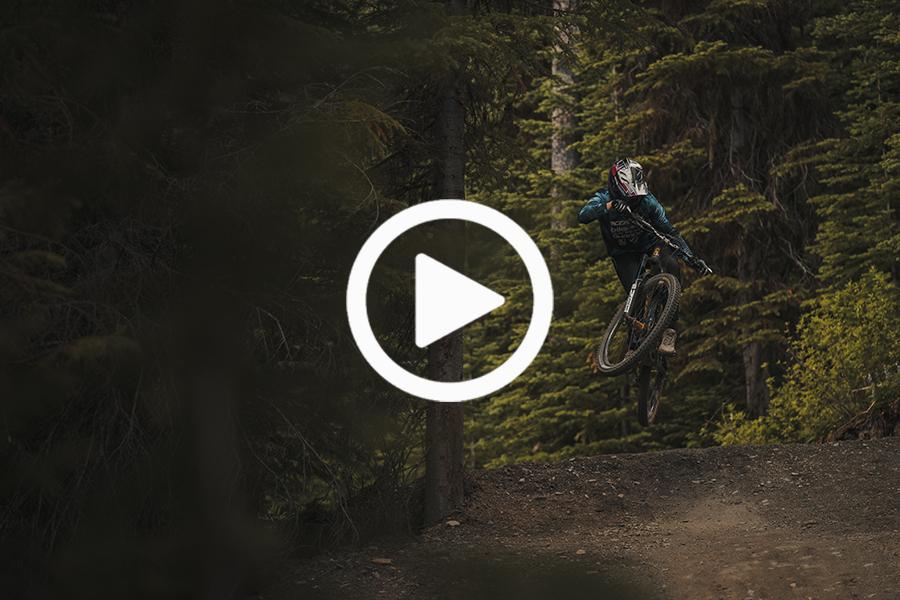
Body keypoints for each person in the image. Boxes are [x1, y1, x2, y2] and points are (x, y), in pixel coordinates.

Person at [578, 157, 705, 355]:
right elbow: (583, 215)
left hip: (651, 247)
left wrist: (691, 257)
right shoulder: (603, 198)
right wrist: (610, 206)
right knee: (634, 296)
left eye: (636, 198)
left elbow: (670, 232)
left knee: (671, 264)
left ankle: (670, 331)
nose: (634, 201)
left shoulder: (648, 203)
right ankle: (633, 347)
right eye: (630, 198)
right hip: (623, 255)